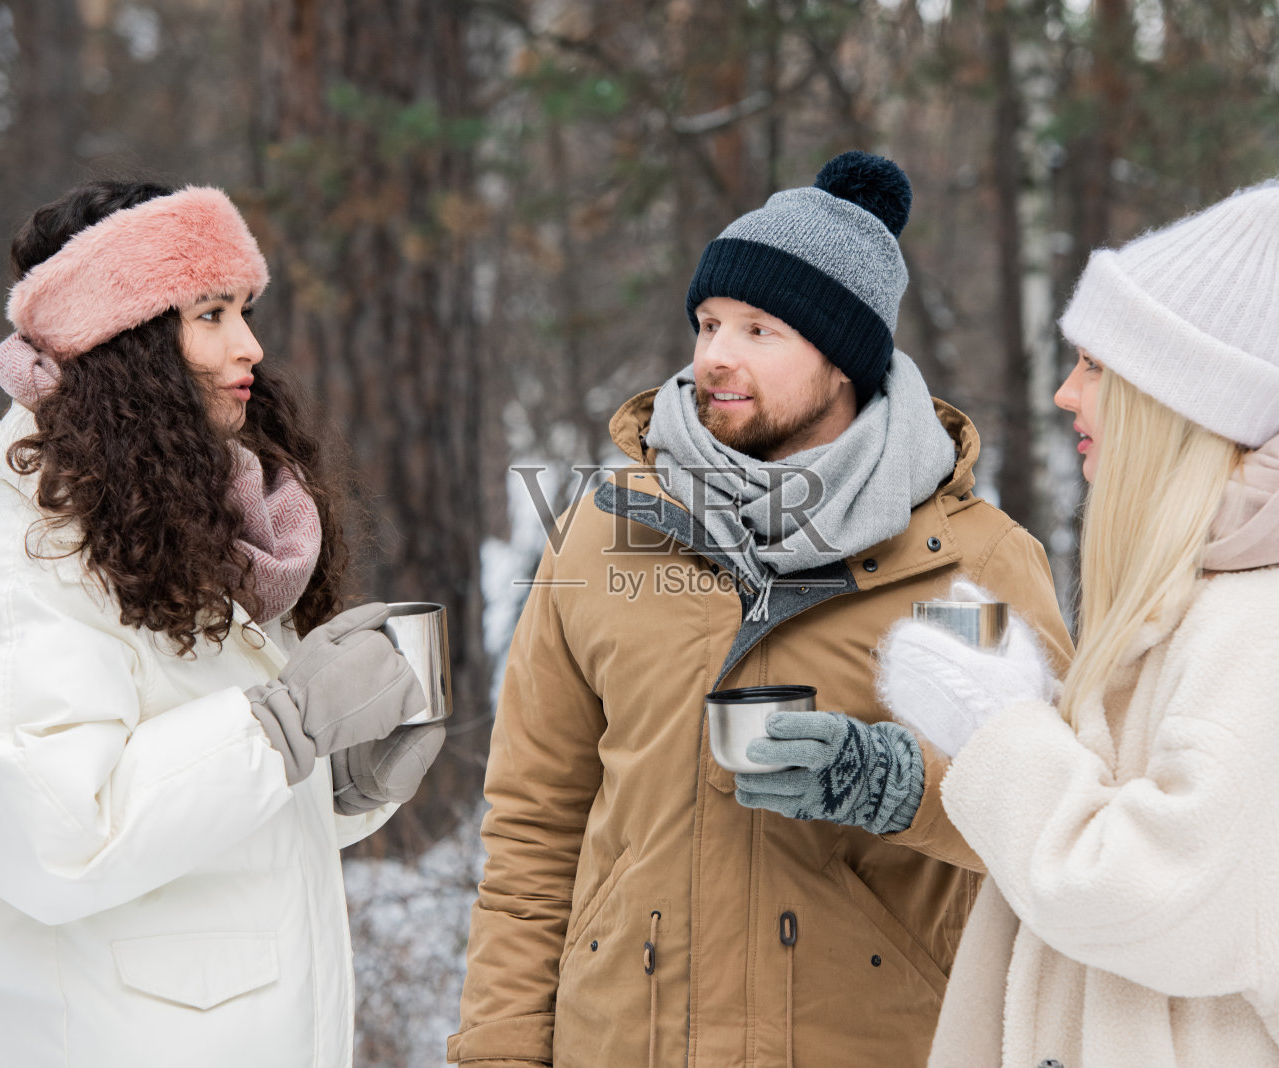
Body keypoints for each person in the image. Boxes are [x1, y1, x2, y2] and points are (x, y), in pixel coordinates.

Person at [449, 152, 1073, 1068]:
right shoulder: (602, 534)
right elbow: (535, 821)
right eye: (706, 323)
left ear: (844, 359)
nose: (714, 356)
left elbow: (1058, 820)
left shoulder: (965, 567)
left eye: (759, 329)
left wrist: (893, 784)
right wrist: (500, 1050)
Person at [877, 182, 1279, 1067]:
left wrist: (1001, 730)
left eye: (1097, 367)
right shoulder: (1215, 597)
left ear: (1175, 401)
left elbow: (1153, 890)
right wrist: (1035, 704)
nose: (1068, 393)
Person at [0, 180, 446, 1067]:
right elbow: (61, 838)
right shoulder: (21, 581)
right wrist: (283, 726)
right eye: (210, 313)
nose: (251, 345)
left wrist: (332, 785)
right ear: (127, 345)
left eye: (243, 308)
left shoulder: (172, 548)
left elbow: (192, 835)